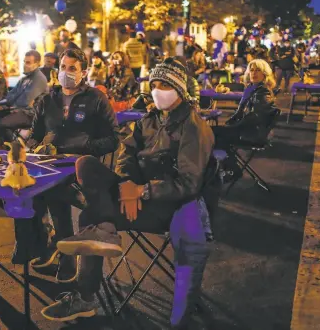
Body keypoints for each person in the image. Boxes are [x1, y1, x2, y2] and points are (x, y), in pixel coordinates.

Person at [41, 58, 217, 329]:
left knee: (90, 216)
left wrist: (142, 191)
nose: (158, 90)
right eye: (154, 84)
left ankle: (87, 290)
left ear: (180, 89)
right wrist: (125, 184)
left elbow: (188, 184)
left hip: (164, 206)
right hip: (132, 196)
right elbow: (126, 153)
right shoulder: (149, 119)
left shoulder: (193, 127)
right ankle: (104, 234)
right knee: (85, 164)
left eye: (165, 85)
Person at [13, 48, 119, 283]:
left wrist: (87, 144)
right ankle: (42, 244)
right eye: (63, 67)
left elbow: (114, 139)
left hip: (81, 170)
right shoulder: (48, 100)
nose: (66, 73)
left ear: (84, 72)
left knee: (53, 191)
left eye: (73, 68)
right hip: (49, 164)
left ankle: (63, 253)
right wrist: (28, 145)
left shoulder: (96, 99)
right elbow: (36, 135)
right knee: (22, 188)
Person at [212, 59, 278, 149]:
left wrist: (234, 126)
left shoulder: (263, 91)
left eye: (258, 70)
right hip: (247, 129)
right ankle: (226, 160)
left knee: (212, 133)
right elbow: (241, 111)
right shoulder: (251, 88)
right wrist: (230, 123)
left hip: (252, 133)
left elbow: (255, 117)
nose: (254, 73)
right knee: (212, 132)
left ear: (264, 74)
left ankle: (224, 161)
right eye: (252, 70)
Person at [0, 50, 48, 144]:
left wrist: (13, 104)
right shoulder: (25, 78)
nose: (24, 64)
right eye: (24, 61)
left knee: (2, 125)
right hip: (20, 111)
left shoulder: (39, 78)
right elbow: (10, 95)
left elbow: (26, 100)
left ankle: (14, 149)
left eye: (28, 62)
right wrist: (1, 103)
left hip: (30, 114)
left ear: (37, 63)